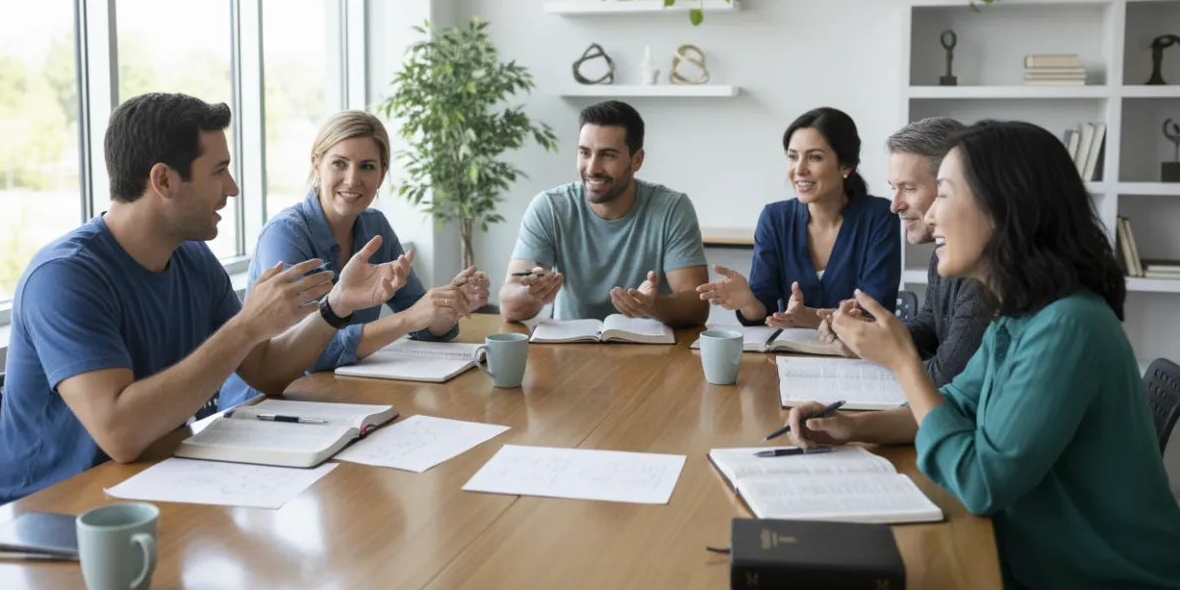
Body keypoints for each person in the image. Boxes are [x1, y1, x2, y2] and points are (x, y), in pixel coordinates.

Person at [789, 120, 1180, 590]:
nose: (929, 218)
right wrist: (850, 428)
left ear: (1001, 210)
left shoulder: (1068, 326)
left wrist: (904, 363)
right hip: (1035, 569)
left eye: (943, 195)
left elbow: (981, 484)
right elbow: (952, 407)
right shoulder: (1016, 313)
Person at [0, 94, 413, 510]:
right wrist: (245, 327)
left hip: (155, 485)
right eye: (219, 171)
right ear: (164, 180)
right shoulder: (64, 277)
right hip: (46, 514)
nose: (233, 188)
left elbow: (266, 372)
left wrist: (334, 307)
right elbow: (121, 434)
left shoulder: (191, 257)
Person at [219, 111, 489, 410]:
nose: (352, 179)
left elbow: (420, 321)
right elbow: (310, 352)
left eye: (367, 167)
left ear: (381, 175)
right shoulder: (285, 234)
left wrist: (445, 307)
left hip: (339, 395)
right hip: (261, 405)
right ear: (316, 164)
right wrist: (410, 318)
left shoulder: (376, 228)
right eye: (339, 163)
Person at [499, 100, 709, 326]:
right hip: (570, 351)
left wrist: (653, 305)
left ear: (636, 160)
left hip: (650, 351)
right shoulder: (549, 207)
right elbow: (508, 306)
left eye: (607, 155)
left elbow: (697, 306)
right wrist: (532, 294)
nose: (592, 168)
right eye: (585, 153)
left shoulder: (672, 209)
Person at [817, 117, 990, 385]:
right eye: (893, 188)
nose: (894, 205)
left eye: (909, 188)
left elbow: (946, 376)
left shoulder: (985, 274)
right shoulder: (942, 253)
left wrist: (881, 352)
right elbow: (930, 328)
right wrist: (867, 337)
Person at [697, 107, 900, 328]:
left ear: (846, 165)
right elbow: (762, 309)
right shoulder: (774, 218)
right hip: (787, 354)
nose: (799, 169)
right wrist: (747, 302)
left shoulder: (879, 216)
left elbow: (874, 311)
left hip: (858, 356)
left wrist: (808, 317)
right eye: (793, 156)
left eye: (814, 157)